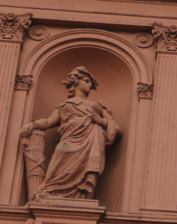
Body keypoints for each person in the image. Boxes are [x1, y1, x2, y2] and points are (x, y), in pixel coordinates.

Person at [29, 68, 121, 201]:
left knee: (84, 172)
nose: (89, 85)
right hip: (68, 141)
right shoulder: (64, 105)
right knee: (58, 160)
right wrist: (33, 124)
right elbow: (49, 121)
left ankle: (81, 198)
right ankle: (48, 190)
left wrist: (102, 121)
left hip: (88, 143)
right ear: (76, 82)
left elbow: (116, 127)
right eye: (86, 81)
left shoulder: (95, 105)